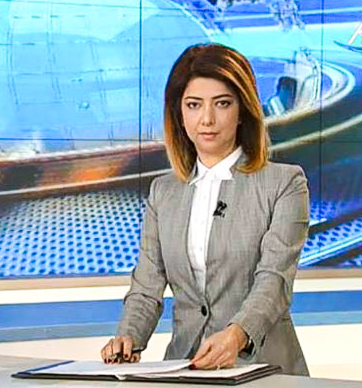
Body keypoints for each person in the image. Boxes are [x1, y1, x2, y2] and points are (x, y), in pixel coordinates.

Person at [100, 43, 310, 375]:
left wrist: (236, 336)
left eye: (222, 103)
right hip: (187, 367)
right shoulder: (163, 192)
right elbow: (146, 288)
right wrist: (128, 337)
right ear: (179, 114)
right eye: (194, 105)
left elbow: (274, 281)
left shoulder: (285, 183)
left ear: (242, 110)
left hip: (264, 368)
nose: (207, 119)